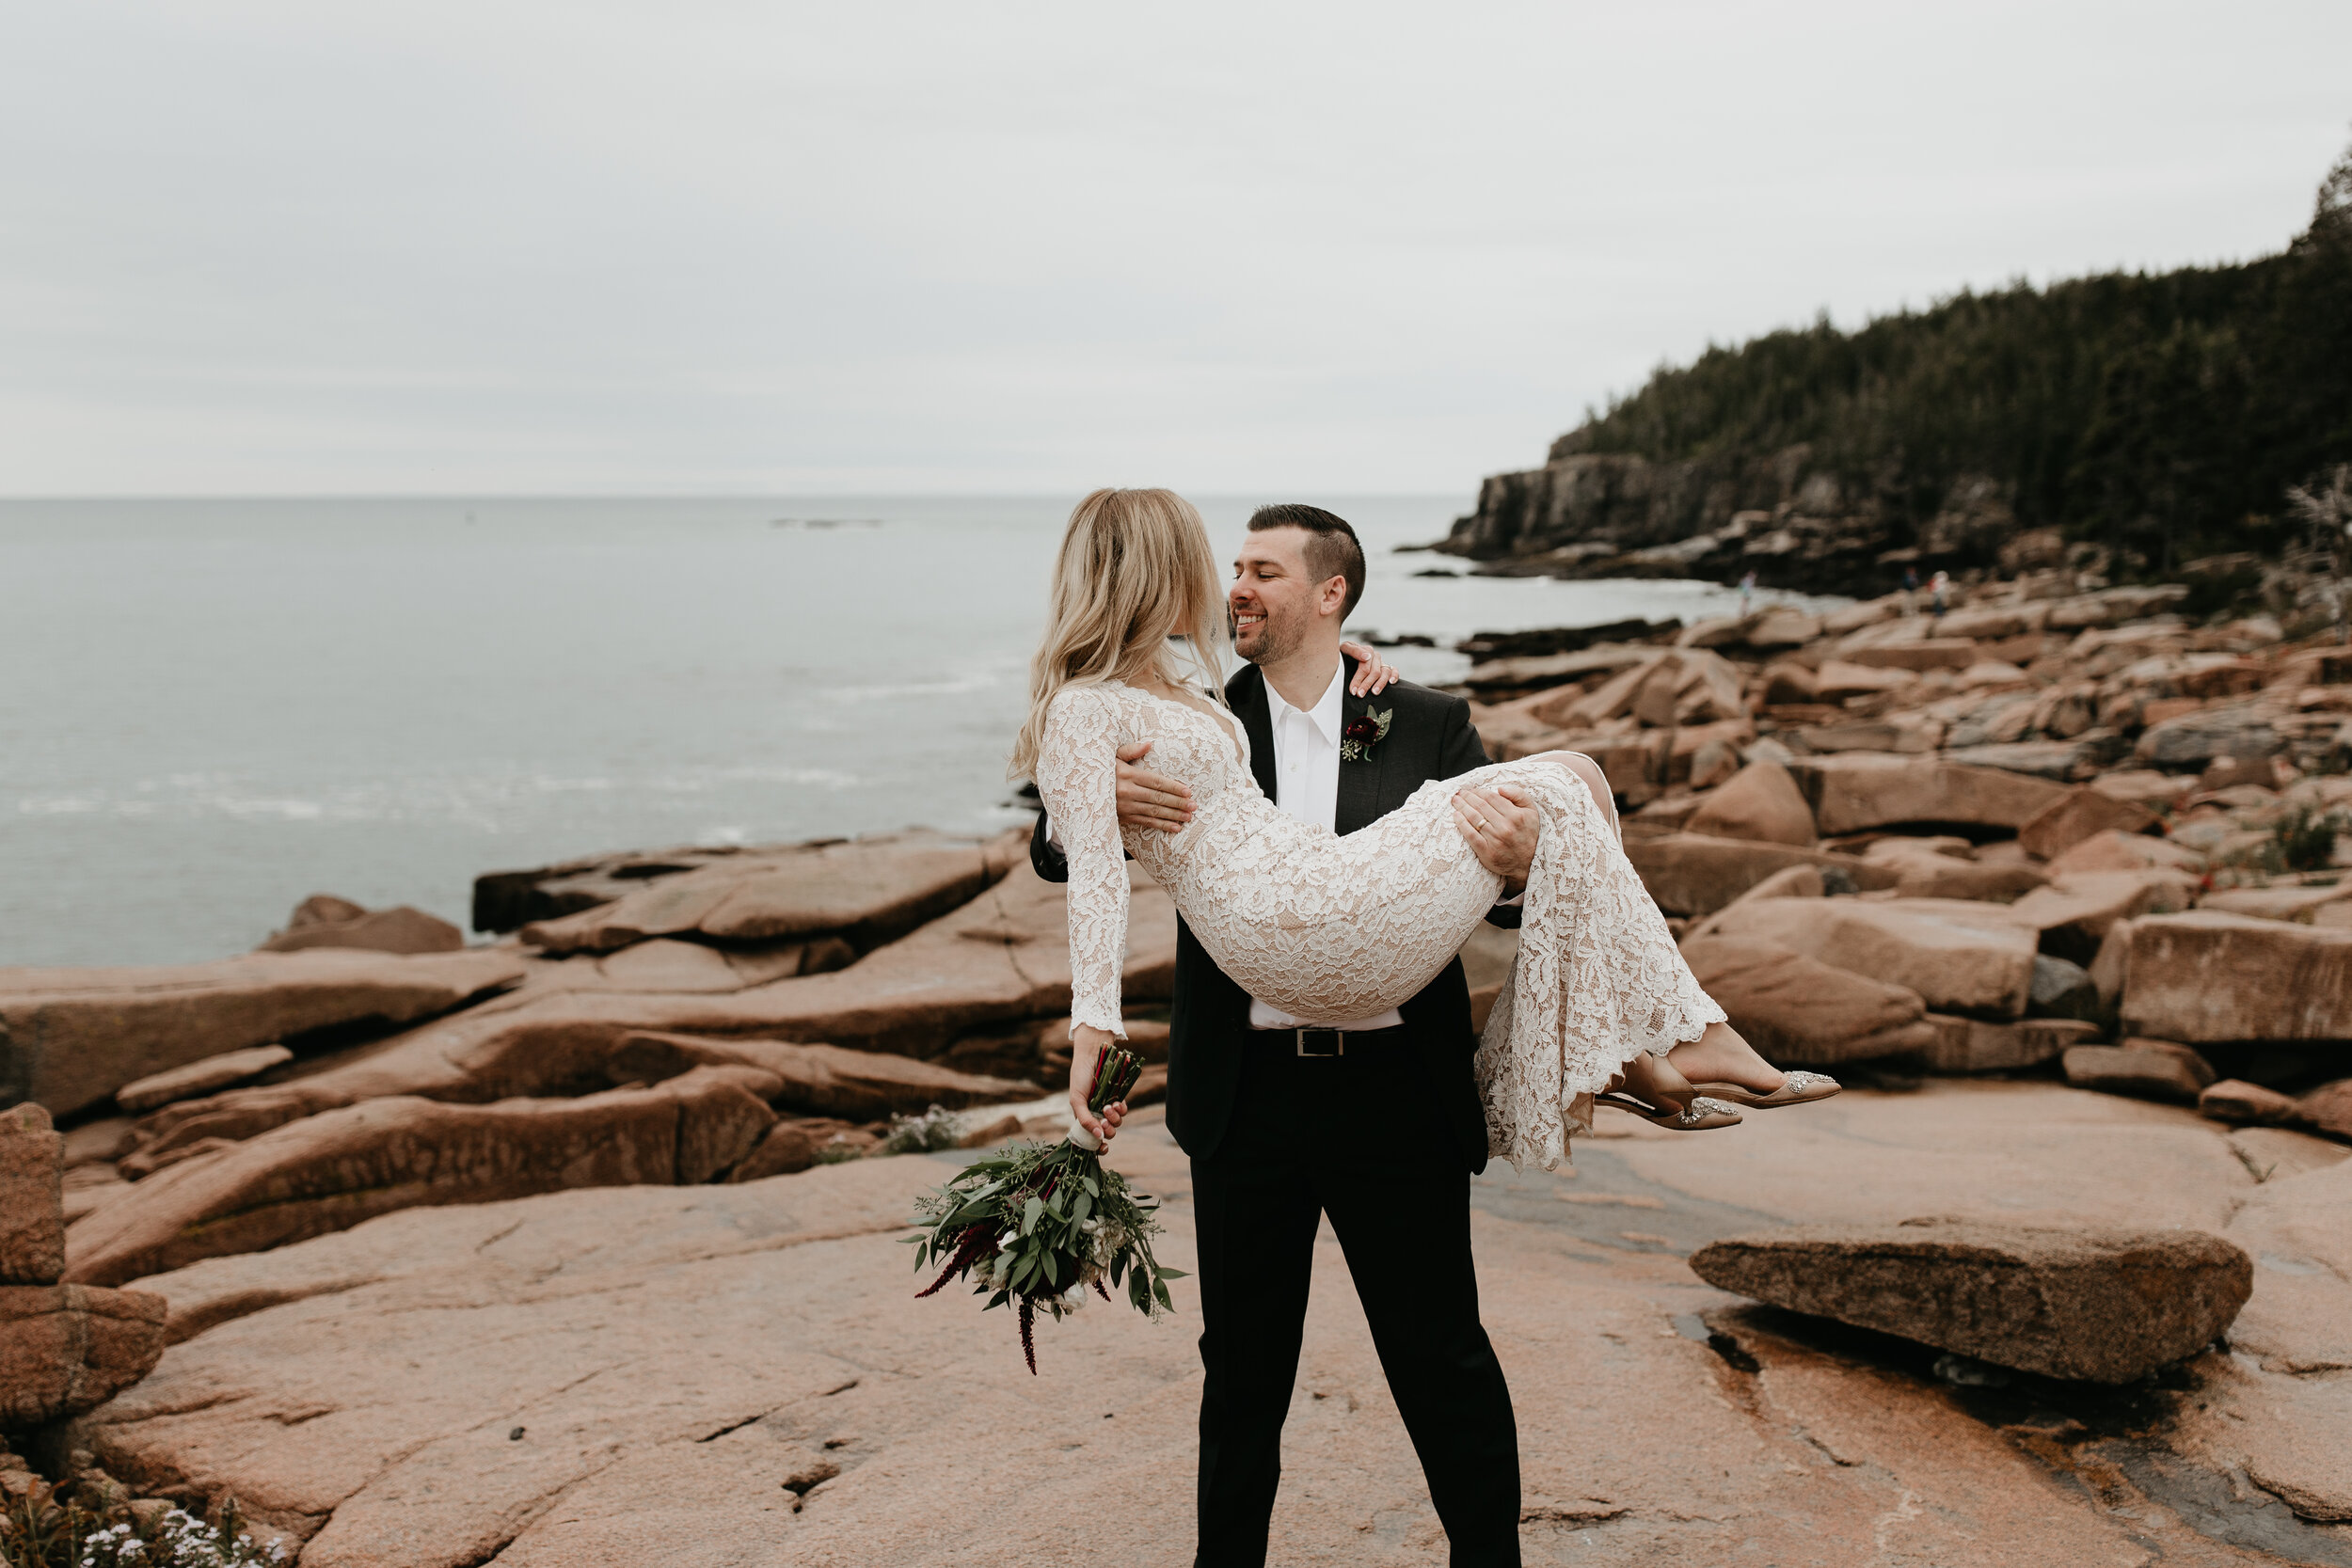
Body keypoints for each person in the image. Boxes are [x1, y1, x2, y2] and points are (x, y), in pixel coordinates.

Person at [1025, 491, 1828, 1568]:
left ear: (1331, 595)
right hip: (1248, 1090)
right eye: (1231, 568)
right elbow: (1062, 839)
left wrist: (1509, 864)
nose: (1235, 588)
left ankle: (1487, 1562)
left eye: (1263, 571)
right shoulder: (1201, 702)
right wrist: (1086, 815)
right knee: (1244, 1375)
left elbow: (1494, 900)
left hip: (1392, 1083)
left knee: (1440, 1356)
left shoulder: (1424, 717)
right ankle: (1656, 1044)